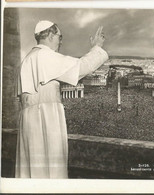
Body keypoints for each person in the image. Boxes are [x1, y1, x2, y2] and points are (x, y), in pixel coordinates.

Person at [15, 20, 108, 178]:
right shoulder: (45, 56)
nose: (61, 41)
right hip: (46, 118)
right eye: (59, 36)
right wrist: (96, 47)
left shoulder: (28, 59)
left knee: (32, 171)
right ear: (50, 36)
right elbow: (81, 67)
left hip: (29, 121)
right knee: (51, 171)